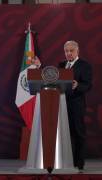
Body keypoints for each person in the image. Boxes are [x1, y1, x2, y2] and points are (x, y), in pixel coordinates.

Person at [58, 40, 92, 171]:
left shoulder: (84, 65)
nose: (68, 53)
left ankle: (79, 164)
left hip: (77, 106)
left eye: (71, 51)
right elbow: (52, 77)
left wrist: (78, 85)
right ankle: (65, 162)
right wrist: (39, 66)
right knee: (64, 134)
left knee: (78, 134)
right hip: (62, 105)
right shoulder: (61, 65)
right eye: (66, 51)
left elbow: (88, 84)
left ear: (77, 51)